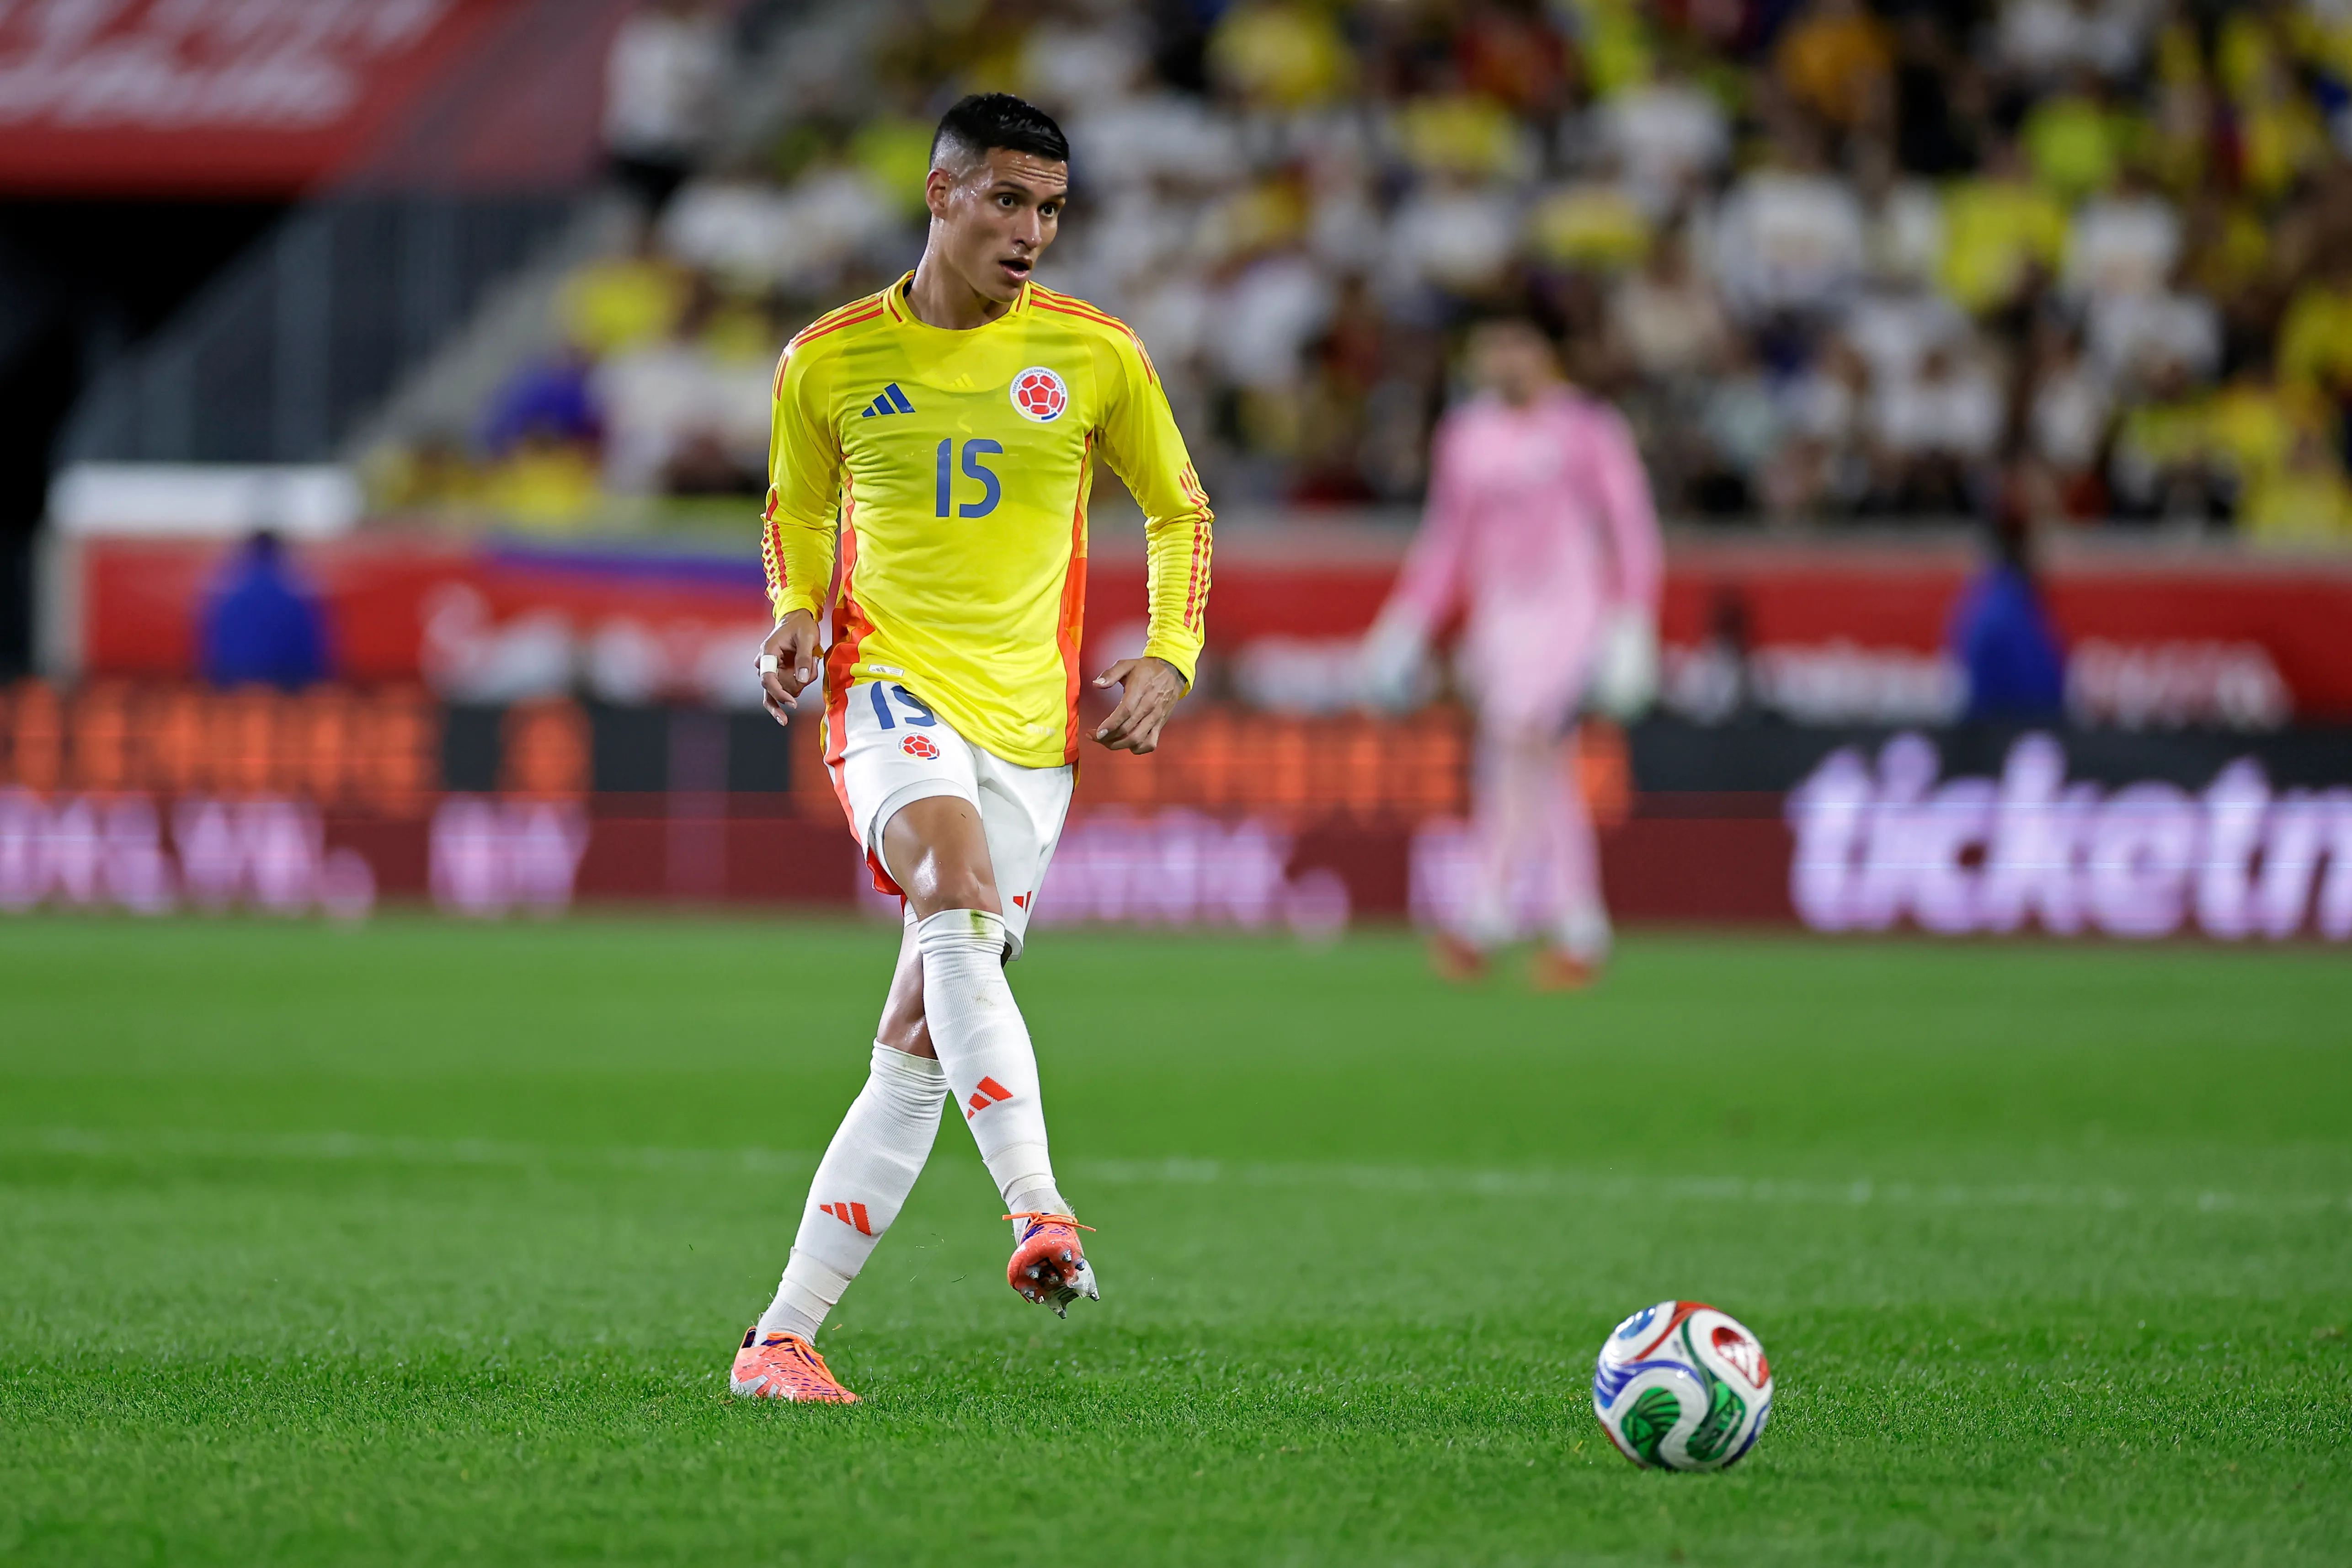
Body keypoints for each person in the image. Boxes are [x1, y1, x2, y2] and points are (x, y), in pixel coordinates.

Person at [734, 94, 1213, 1403]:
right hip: (887, 687)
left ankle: (780, 1338)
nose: (1032, 232)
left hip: (1030, 733)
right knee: (949, 892)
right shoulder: (827, 360)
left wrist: (1174, 649)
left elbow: (1177, 507)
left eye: (1051, 208)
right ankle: (1039, 1209)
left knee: (920, 1038)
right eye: (1008, 201)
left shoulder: (1095, 355)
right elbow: (800, 502)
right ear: (939, 194)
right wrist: (793, 612)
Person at [1364, 315, 1661, 989]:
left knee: (1524, 741)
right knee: (1519, 761)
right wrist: (1406, 621)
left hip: (1570, 610)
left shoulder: (1586, 428)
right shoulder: (1466, 435)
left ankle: (1505, 918)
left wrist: (1634, 620)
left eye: (1517, 342)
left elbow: (1630, 526)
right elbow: (1447, 539)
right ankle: (1557, 923)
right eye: (1491, 344)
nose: (1504, 357)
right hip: (1500, 622)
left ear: (1546, 351)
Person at [198, 531, 329, 690]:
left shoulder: (226, 599)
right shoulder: (297, 598)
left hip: (233, 689)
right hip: (283, 691)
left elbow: (208, 656)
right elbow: (314, 660)